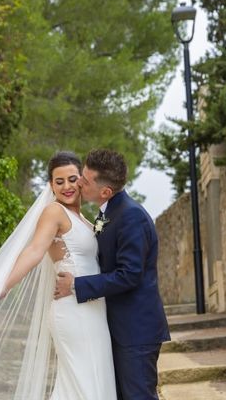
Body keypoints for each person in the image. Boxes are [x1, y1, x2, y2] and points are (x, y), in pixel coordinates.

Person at [0, 151, 117, 400]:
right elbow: (35, 250)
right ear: (51, 186)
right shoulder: (54, 212)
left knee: (91, 383)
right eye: (59, 182)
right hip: (74, 312)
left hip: (95, 312)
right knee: (83, 385)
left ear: (81, 180)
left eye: (71, 179)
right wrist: (1, 286)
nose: (67, 186)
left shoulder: (87, 221)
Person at [55, 149, 170, 400]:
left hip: (136, 331)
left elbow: (129, 275)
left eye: (84, 180)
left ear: (105, 191)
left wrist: (77, 285)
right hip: (118, 327)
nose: (78, 183)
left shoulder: (131, 216)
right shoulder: (108, 212)